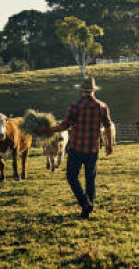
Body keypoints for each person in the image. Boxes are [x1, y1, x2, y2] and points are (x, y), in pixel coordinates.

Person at [46, 76, 113, 219]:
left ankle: (85, 203)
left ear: (81, 91)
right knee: (90, 179)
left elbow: (64, 126)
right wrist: (109, 145)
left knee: (71, 177)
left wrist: (47, 129)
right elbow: (108, 127)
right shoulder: (102, 106)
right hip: (93, 149)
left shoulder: (75, 106)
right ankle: (89, 206)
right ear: (94, 91)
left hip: (76, 148)